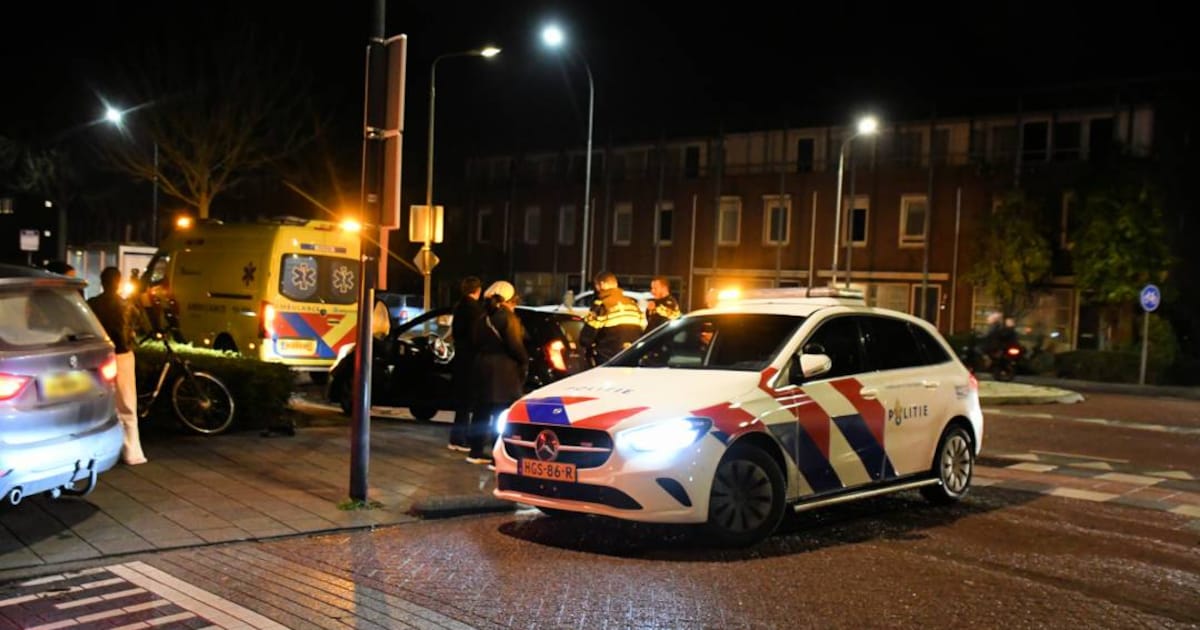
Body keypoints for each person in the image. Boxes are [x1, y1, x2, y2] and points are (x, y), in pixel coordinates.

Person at [87, 266, 147, 465]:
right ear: (118, 282)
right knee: (127, 404)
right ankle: (131, 452)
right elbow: (140, 326)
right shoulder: (127, 305)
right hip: (122, 355)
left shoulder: (92, 304)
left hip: (99, 357)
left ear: (101, 282)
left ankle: (100, 452)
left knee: (101, 403)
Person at [467, 280, 528, 465]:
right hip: (503, 370)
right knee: (502, 415)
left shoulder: (482, 317)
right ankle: (498, 456)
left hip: (482, 367)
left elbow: (474, 341)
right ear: (510, 300)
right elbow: (515, 345)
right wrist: (523, 360)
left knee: (482, 411)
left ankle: (475, 451)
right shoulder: (508, 318)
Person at [579, 271, 646, 366]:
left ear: (601, 284)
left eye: (596, 285)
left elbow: (587, 336)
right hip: (631, 357)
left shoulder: (602, 305)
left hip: (608, 358)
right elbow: (642, 330)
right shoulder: (633, 304)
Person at [448, 276, 484, 452]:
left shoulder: (459, 307)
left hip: (460, 357)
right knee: (468, 401)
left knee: (461, 401)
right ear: (477, 290)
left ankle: (456, 436)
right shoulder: (475, 310)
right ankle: (460, 438)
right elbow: (476, 335)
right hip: (471, 359)